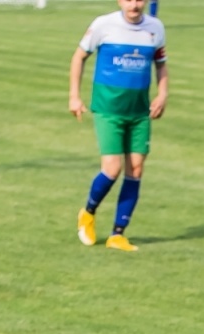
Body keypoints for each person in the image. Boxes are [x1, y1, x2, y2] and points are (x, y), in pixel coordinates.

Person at [68, 0, 168, 252]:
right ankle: (88, 212)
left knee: (135, 169)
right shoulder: (104, 25)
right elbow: (79, 57)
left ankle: (117, 234)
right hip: (108, 111)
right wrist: (74, 96)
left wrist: (162, 94)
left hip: (139, 112)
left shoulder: (155, 28)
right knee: (112, 169)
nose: (134, 4)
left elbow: (161, 62)